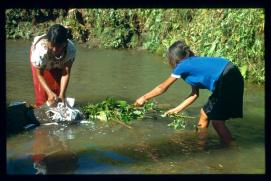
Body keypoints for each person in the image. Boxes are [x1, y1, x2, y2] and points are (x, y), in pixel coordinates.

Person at [134, 40, 244, 146]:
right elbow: (194, 94)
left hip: (226, 77)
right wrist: (177, 109)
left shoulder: (182, 66)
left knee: (217, 121)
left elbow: (163, 87)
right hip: (232, 74)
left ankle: (232, 147)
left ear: (173, 59)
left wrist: (144, 97)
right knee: (205, 113)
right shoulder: (192, 65)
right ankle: (201, 142)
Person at [30, 24, 76, 107]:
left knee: (58, 97)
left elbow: (65, 74)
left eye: (58, 46)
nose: (55, 49)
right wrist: (49, 92)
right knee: (42, 99)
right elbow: (39, 75)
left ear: (64, 44)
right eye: (52, 45)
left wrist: (62, 94)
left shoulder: (70, 50)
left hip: (60, 61)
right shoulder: (40, 51)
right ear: (48, 42)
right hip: (42, 62)